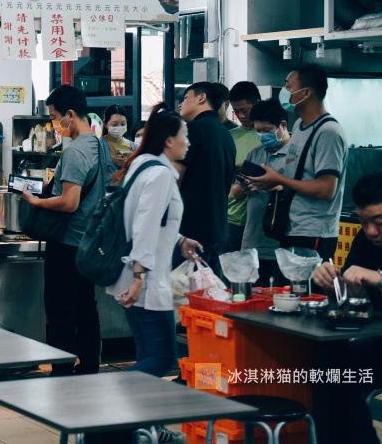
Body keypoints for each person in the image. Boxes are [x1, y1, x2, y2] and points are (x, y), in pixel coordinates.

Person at [105, 104, 199, 444]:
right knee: (161, 358)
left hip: (134, 276)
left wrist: (180, 240)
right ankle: (103, 419)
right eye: (184, 136)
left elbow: (151, 223)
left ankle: (135, 430)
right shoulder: (159, 174)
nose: (188, 141)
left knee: (147, 357)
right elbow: (144, 226)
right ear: (169, 140)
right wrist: (141, 276)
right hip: (145, 282)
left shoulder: (141, 168)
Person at [312, 171, 382, 444]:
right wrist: (333, 285)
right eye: (363, 222)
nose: (371, 231)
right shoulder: (368, 240)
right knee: (332, 365)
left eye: (379, 221)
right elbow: (350, 300)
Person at [21, 84, 104, 376]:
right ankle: (90, 365)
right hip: (90, 241)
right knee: (85, 306)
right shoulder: (99, 145)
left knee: (60, 311)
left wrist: (36, 201)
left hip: (68, 243)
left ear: (70, 114)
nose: (56, 124)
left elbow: (70, 203)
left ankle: (61, 371)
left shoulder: (75, 151)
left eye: (56, 117)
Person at [244, 64, 346, 260]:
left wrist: (279, 180)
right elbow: (298, 178)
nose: (284, 92)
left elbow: (326, 189)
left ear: (305, 93)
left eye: (288, 86)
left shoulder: (328, 132)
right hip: (292, 228)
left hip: (313, 232)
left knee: (308, 290)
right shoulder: (300, 126)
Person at [175, 82, 236, 274]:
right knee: (207, 295)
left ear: (201, 98)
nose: (180, 104)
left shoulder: (193, 130)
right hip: (216, 227)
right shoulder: (225, 134)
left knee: (184, 296)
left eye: (185, 98)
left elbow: (174, 179)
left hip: (190, 229)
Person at [231, 98, 287, 286]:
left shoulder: (297, 155)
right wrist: (245, 184)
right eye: (258, 131)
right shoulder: (255, 154)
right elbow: (236, 195)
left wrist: (273, 185)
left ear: (283, 125)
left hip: (282, 244)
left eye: (267, 131)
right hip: (252, 241)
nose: (262, 136)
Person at [223, 81, 262, 252]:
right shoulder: (229, 137)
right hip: (231, 219)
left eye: (244, 110)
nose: (240, 116)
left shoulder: (273, 137)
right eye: (236, 111)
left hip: (261, 221)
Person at [100, 104, 137, 189]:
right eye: (114, 125)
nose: (119, 128)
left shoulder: (133, 147)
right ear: (106, 124)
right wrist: (112, 163)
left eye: (123, 124)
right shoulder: (98, 146)